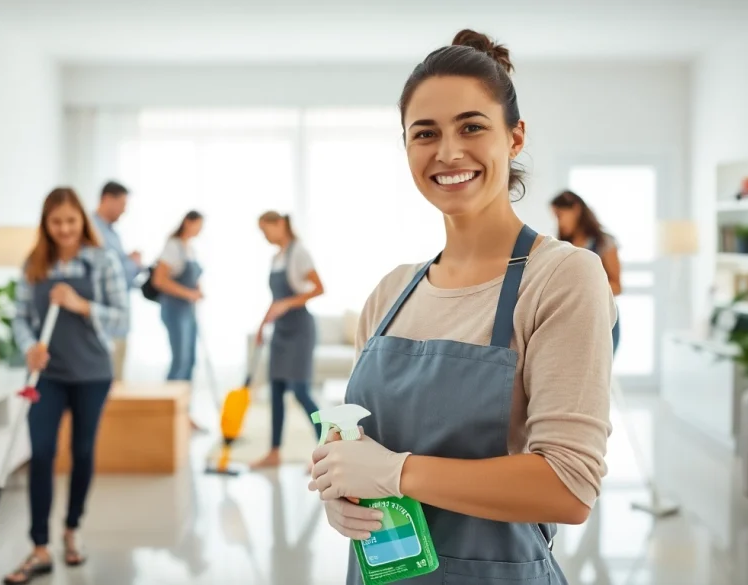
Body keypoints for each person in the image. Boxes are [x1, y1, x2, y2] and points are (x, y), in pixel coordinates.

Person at [307, 30, 614, 585]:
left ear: (515, 137)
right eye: (425, 133)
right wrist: (340, 492)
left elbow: (569, 488)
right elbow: (358, 450)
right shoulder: (390, 293)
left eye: (472, 126)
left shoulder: (562, 278)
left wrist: (397, 473)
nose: (448, 152)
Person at [6, 187, 128, 585]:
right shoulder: (34, 264)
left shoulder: (102, 261)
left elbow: (123, 321)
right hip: (47, 376)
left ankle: (71, 529)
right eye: (56, 222)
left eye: (71, 222)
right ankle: (39, 547)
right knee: (41, 453)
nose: (64, 230)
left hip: (92, 373)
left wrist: (80, 304)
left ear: (83, 221)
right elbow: (20, 317)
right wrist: (28, 347)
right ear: (46, 224)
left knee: (82, 451)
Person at [251, 211, 324, 469]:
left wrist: (286, 304)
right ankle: (274, 452)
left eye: (265, 229)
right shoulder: (276, 257)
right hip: (280, 331)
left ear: (280, 224)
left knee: (301, 391)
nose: (264, 236)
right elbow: (275, 300)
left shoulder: (299, 252)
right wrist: (262, 326)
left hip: (300, 329)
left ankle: (326, 450)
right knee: (277, 392)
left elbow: (319, 287)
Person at [550, 189, 622, 354]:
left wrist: (582, 286)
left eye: (559, 215)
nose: (558, 222)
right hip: (571, 320)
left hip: (602, 319)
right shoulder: (562, 246)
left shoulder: (604, 243)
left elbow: (617, 286)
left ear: (575, 209)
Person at [90, 180, 143, 379]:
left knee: (117, 383)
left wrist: (130, 262)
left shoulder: (113, 233)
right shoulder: (93, 230)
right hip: (104, 326)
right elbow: (108, 274)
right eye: (122, 204)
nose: (124, 211)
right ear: (106, 199)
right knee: (107, 386)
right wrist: (133, 264)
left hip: (118, 322)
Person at [153, 211, 204, 383]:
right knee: (180, 362)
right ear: (188, 222)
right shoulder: (173, 246)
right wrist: (189, 293)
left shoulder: (190, 248)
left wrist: (197, 289)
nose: (200, 230)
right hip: (174, 310)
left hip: (189, 310)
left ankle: (184, 407)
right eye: (199, 225)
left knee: (190, 361)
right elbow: (159, 280)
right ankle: (170, 407)